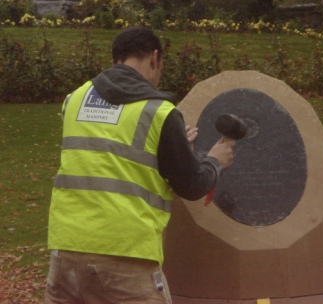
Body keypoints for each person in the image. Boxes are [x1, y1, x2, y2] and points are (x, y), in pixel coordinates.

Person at [45, 27, 235, 304]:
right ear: (154, 59)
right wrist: (214, 161)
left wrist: (168, 144)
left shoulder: (75, 99)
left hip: (66, 252)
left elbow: (105, 150)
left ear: (115, 60)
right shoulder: (159, 112)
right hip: (127, 254)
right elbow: (192, 185)